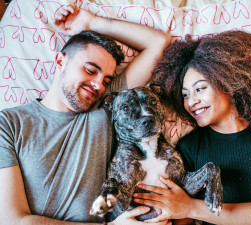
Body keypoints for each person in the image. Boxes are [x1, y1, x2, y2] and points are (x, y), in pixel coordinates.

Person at [0, 6, 171, 225]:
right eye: (90, 70)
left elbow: (158, 43)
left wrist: (91, 23)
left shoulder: (106, 107)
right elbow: (12, 220)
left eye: (107, 80)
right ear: (60, 61)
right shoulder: (9, 123)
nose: (98, 85)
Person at [133, 31, 251, 225]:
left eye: (200, 88)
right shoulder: (188, 146)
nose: (191, 101)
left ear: (229, 83)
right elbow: (180, 216)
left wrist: (190, 207)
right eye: (185, 94)